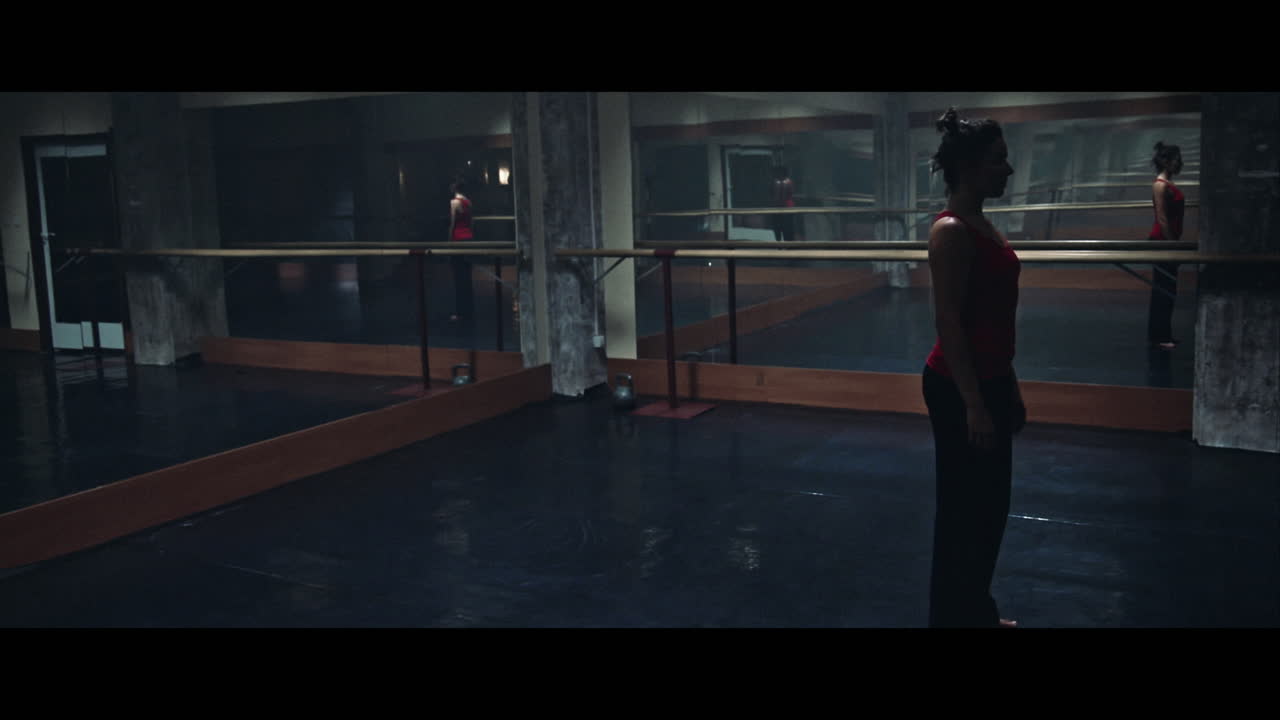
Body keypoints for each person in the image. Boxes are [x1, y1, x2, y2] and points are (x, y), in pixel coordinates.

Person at [922, 107, 1025, 628]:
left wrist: (1010, 387)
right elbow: (951, 323)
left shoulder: (983, 221)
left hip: (990, 379)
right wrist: (974, 406)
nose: (1008, 170)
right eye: (998, 161)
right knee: (964, 513)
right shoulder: (952, 232)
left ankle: (975, 612)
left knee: (990, 511)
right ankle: (954, 619)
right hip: (958, 386)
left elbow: (993, 320)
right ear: (969, 167)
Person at [1147, 142, 1184, 350]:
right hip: (1162, 241)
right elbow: (1162, 219)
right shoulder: (1160, 185)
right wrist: (1173, 246)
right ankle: (1160, 336)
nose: (1179, 163)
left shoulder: (1168, 184)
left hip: (1167, 240)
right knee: (1163, 290)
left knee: (1167, 289)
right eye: (1175, 159)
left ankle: (1162, 334)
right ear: (1165, 161)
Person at [447, 178, 475, 323]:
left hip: (458, 239)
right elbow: (471, 222)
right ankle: (469, 309)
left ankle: (460, 312)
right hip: (468, 238)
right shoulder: (468, 202)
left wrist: (449, 241)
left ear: (454, 189)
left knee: (458, 277)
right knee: (467, 275)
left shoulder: (454, 203)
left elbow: (452, 224)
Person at [770, 165, 796, 242]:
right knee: (777, 229)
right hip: (776, 210)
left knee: (788, 229)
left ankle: (789, 245)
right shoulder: (774, 182)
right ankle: (779, 244)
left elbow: (790, 194)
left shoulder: (788, 183)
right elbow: (771, 194)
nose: (778, 174)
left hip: (787, 210)